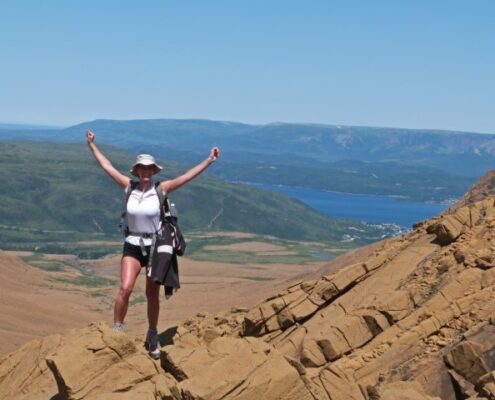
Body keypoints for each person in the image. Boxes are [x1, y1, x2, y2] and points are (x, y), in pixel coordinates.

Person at [86, 130, 220, 358]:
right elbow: (107, 167)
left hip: (155, 247)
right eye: (142, 168)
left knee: (151, 295)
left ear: (153, 171)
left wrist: (209, 160)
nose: (146, 171)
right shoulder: (129, 187)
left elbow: (187, 177)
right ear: (137, 171)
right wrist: (91, 145)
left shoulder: (161, 189)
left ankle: (152, 334)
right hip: (132, 244)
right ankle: (117, 329)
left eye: (149, 168)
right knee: (125, 288)